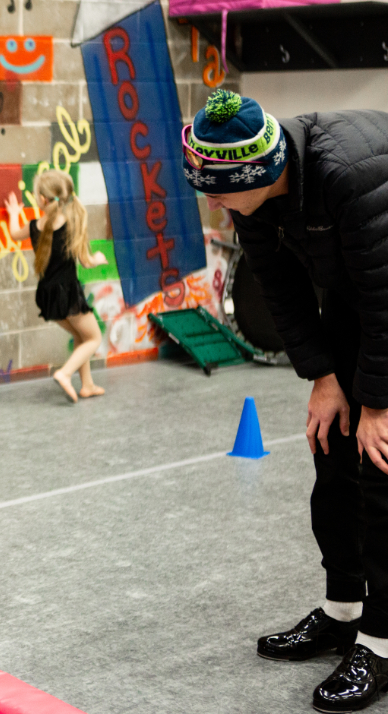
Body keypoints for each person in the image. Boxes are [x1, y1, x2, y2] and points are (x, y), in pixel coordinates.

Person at [183, 88, 388, 713]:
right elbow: (282, 287)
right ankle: (344, 611)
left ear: (262, 172)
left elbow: (385, 298)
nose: (212, 201)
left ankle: (381, 642)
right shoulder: (251, 199)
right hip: (359, 294)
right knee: (333, 450)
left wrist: (377, 406)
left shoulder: (348, 177)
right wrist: (324, 378)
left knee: (382, 469)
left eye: (220, 189)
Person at [5, 169, 107, 403]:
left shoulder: (33, 226)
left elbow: (14, 233)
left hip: (47, 295)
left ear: (42, 199)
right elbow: (86, 262)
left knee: (81, 335)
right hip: (68, 295)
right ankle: (65, 373)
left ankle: (87, 385)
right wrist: (99, 258)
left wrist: (13, 214)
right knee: (94, 338)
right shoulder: (71, 225)